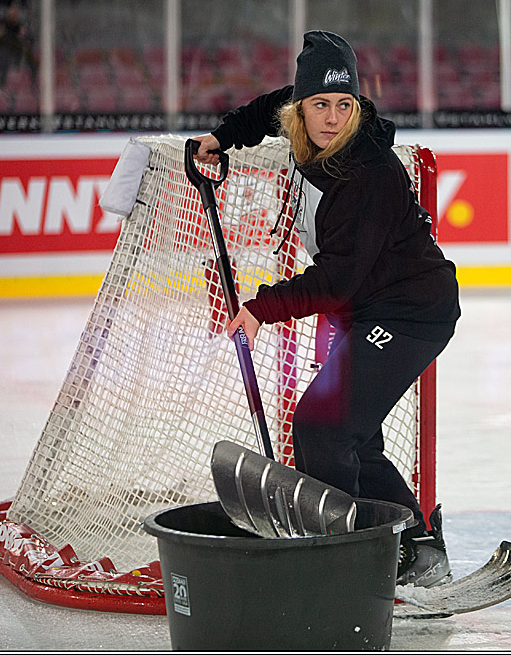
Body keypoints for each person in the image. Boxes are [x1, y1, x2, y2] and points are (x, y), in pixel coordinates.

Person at [192, 30, 460, 588]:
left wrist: (263, 307)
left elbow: (336, 282)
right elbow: (269, 108)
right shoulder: (297, 118)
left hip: (411, 311)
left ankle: (349, 562)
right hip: (369, 305)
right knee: (350, 434)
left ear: (358, 108)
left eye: (345, 106)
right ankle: (416, 543)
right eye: (321, 105)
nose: (333, 119)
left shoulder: (371, 173)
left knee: (323, 424)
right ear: (303, 108)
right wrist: (223, 137)